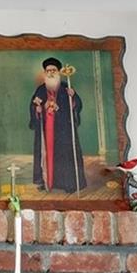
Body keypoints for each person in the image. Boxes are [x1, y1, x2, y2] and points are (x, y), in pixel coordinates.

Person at [28, 57, 84, 193]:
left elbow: (76, 106)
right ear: (45, 73)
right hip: (46, 130)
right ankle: (45, 181)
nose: (51, 73)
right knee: (45, 154)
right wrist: (38, 109)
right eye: (48, 71)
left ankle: (68, 183)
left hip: (63, 130)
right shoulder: (41, 89)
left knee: (64, 155)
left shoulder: (66, 88)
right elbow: (34, 105)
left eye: (53, 70)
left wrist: (73, 98)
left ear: (58, 72)